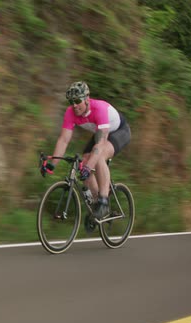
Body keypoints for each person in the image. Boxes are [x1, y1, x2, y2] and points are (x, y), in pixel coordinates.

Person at [41, 81, 131, 221]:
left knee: (98, 156)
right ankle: (96, 202)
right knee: (83, 163)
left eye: (78, 100)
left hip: (119, 131)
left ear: (87, 99)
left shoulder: (99, 109)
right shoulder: (70, 113)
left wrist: (89, 167)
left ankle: (104, 200)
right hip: (99, 132)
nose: (75, 105)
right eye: (72, 102)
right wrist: (52, 164)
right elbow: (64, 140)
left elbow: (100, 143)